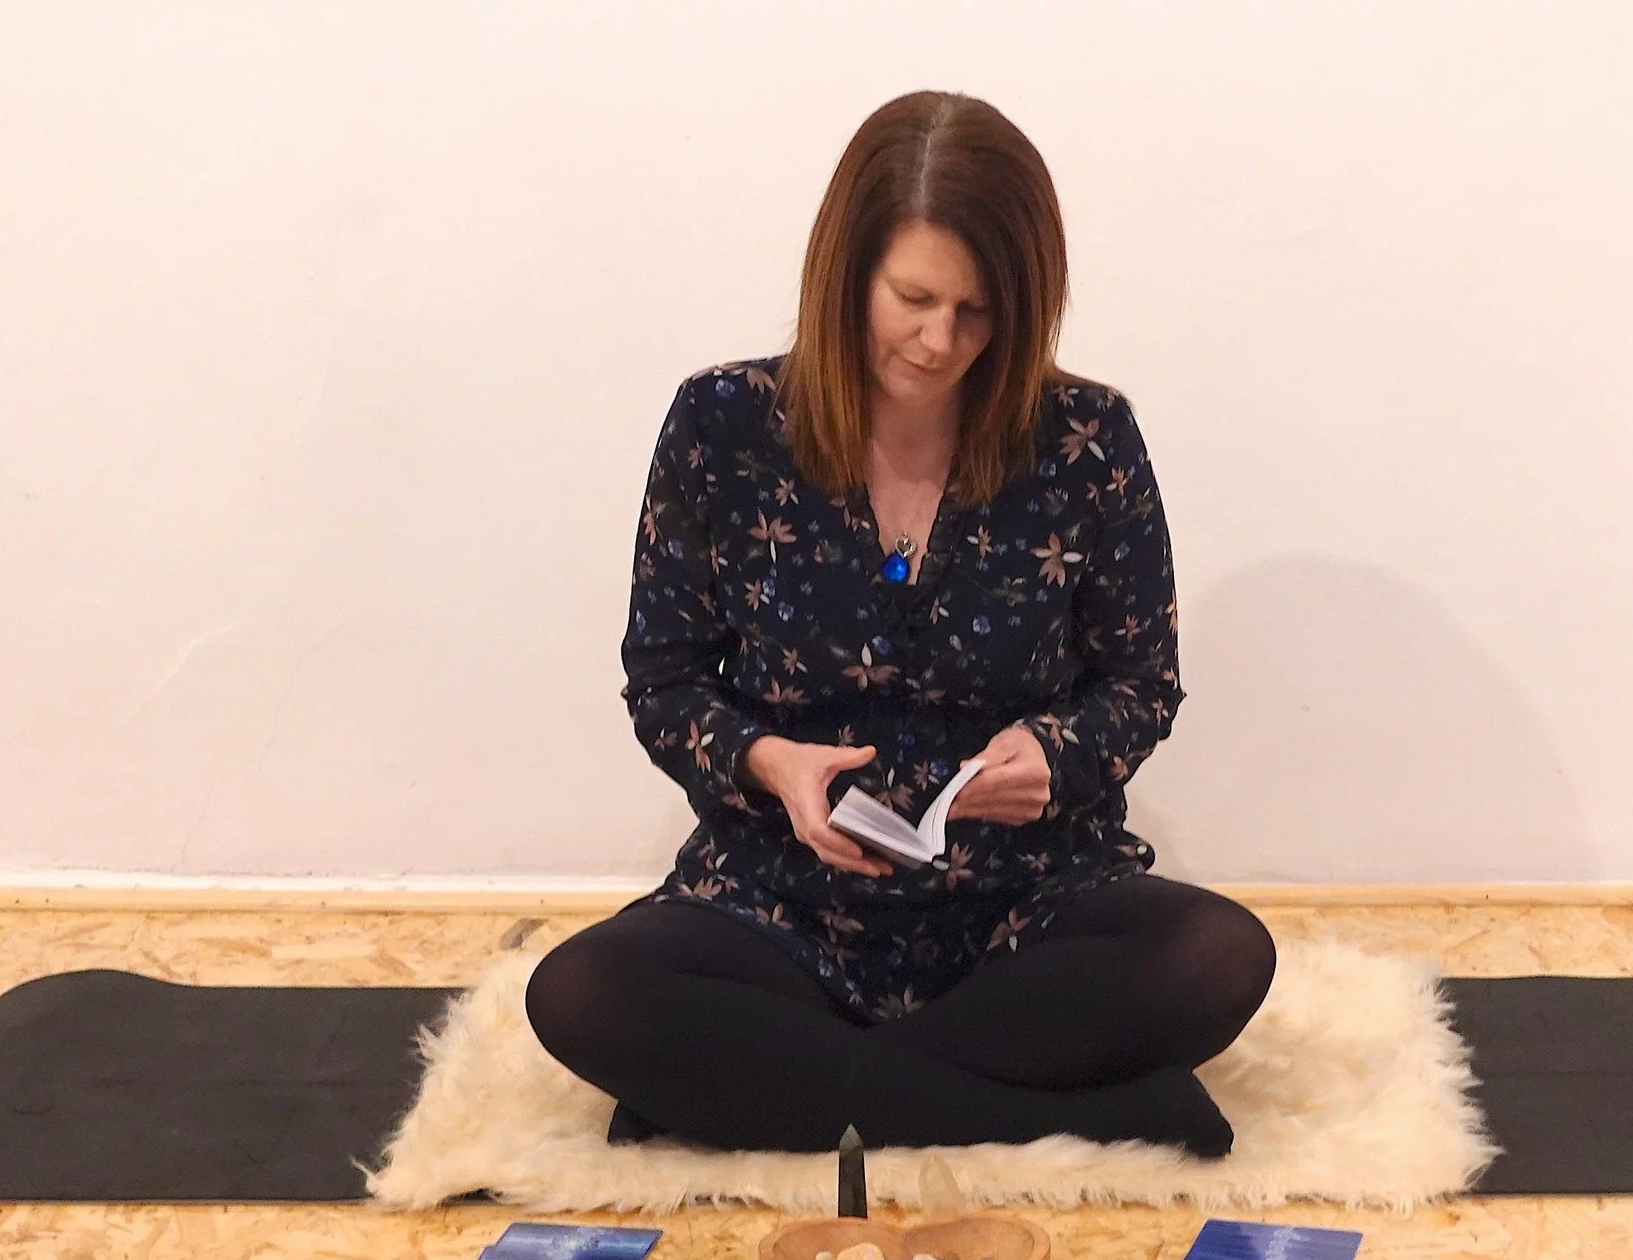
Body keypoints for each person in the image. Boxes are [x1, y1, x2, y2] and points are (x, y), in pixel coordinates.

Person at [525, 91, 1275, 1158]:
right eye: (913, 296)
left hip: (1022, 899)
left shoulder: (1086, 440)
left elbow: (1140, 683)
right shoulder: (722, 425)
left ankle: (777, 1088)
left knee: (1216, 954)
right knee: (583, 991)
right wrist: (769, 761)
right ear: (846, 273)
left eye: (978, 312)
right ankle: (1080, 1113)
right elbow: (665, 681)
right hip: (779, 899)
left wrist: (1058, 757)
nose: (939, 340)